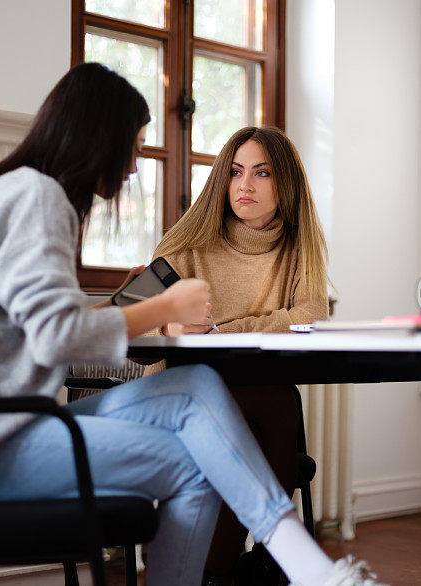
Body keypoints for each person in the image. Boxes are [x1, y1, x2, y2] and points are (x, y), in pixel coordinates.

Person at [0, 63, 383, 586]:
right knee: (198, 458)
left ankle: (305, 567)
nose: (132, 167)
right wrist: (163, 308)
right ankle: (304, 569)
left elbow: (41, 323)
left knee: (194, 385)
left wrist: (121, 307)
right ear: (99, 137)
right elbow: (55, 337)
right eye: (133, 146)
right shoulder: (38, 199)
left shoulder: (12, 190)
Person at [146, 126, 330, 584]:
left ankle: (215, 573)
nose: (244, 186)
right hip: (183, 397)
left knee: (264, 402)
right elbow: (130, 314)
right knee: (270, 401)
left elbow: (310, 315)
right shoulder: (186, 242)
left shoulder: (297, 246)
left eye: (261, 173)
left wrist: (226, 330)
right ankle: (268, 560)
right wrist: (168, 323)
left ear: (284, 182)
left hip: (256, 402)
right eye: (235, 172)